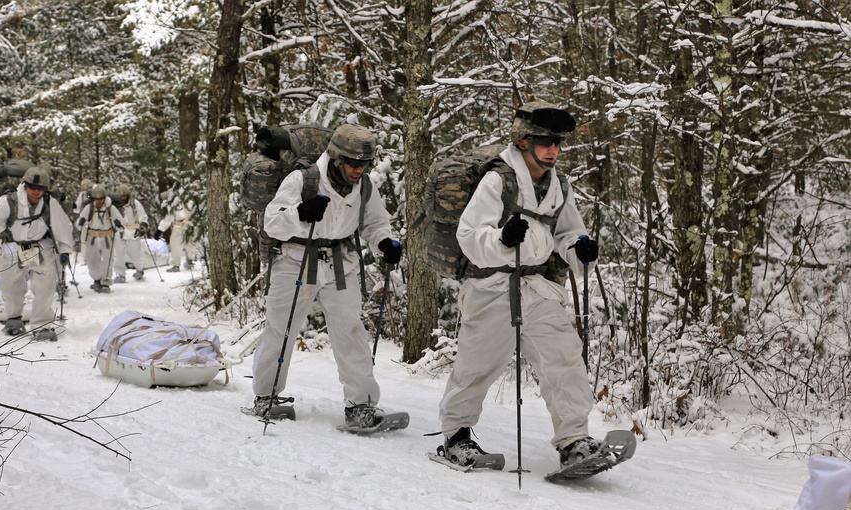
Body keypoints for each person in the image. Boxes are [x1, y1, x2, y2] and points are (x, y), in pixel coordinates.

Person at [436, 99, 602, 469]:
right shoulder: (498, 179)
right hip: (491, 286)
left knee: (563, 358)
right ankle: (456, 437)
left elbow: (568, 233)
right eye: (545, 141)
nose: (553, 150)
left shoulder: (558, 184)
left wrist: (581, 248)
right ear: (524, 141)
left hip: (537, 287)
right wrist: (502, 240)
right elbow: (469, 235)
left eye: (558, 142)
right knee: (477, 366)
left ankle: (574, 440)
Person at [249, 123, 403, 428]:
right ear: (336, 158)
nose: (359, 169)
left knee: (351, 332)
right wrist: (301, 213)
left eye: (364, 163)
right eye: (353, 163)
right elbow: (273, 222)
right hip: (296, 259)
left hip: (340, 262)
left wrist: (384, 242)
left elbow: (375, 223)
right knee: (281, 330)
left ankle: (361, 405)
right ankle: (266, 396)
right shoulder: (303, 180)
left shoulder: (365, 186)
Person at [0, 166, 75, 341]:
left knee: (46, 286)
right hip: (14, 248)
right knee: (11, 286)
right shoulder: (9, 201)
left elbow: (63, 227)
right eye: (32, 187)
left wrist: (65, 250)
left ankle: (42, 324)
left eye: (40, 188)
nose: (36, 192)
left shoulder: (50, 203)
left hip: (41, 249)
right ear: (25, 185)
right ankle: (13, 318)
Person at [76, 184, 124, 293]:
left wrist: (119, 224)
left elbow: (121, 222)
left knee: (108, 260)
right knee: (91, 259)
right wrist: (81, 222)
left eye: (101, 199)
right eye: (96, 199)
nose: (99, 202)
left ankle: (106, 282)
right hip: (92, 237)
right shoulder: (90, 208)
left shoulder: (111, 208)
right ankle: (97, 279)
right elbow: (79, 223)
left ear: (104, 198)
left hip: (107, 237)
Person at [111, 183, 149, 282]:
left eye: (124, 196)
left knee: (134, 253)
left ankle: (139, 269)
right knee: (118, 254)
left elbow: (143, 216)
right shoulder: (114, 206)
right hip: (120, 231)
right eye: (121, 196)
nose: (123, 198)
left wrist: (143, 226)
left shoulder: (135, 204)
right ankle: (120, 275)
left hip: (133, 231)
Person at [156, 199, 197, 272]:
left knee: (190, 244)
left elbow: (194, 213)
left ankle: (189, 260)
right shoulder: (171, 206)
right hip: (177, 226)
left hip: (188, 225)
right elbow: (167, 219)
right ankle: (176, 265)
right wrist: (159, 230)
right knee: (174, 244)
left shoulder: (188, 202)